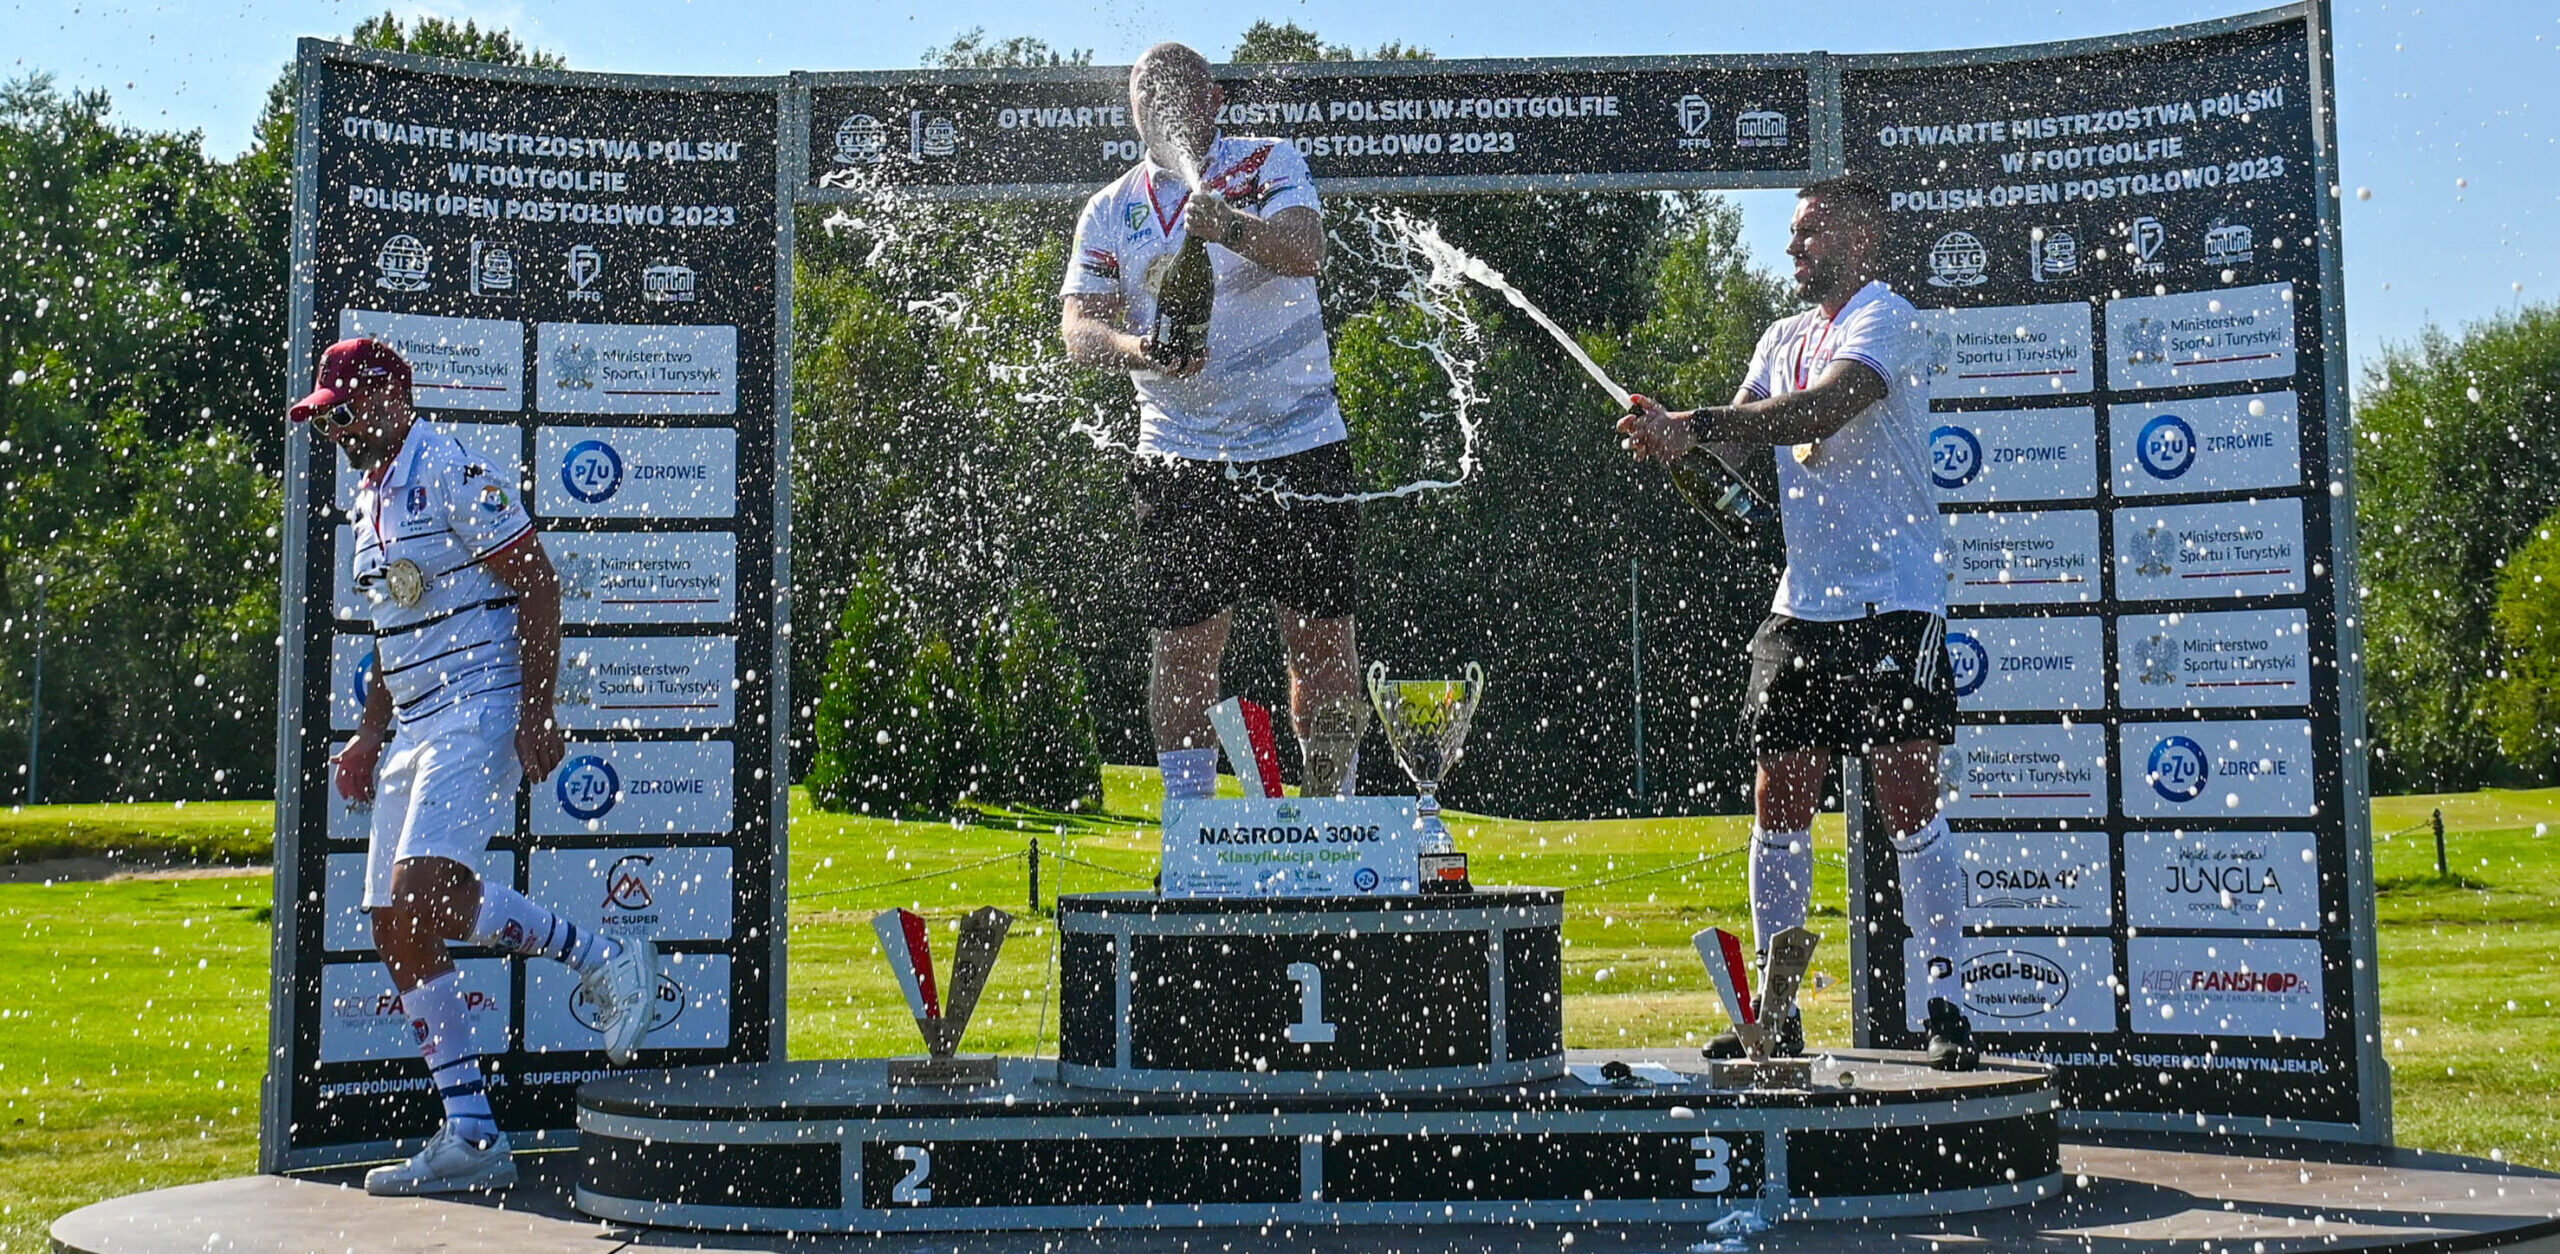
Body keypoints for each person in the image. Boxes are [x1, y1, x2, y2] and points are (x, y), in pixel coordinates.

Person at [1616, 175, 1976, 1070]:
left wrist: (1696, 426)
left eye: (1809, 231)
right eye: (1793, 233)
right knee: (1779, 800)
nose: (1792, 249)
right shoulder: (1780, 337)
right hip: (1801, 605)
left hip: (1894, 600)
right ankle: (1775, 1016)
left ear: (1861, 234)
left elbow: (1824, 408)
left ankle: (1948, 1006)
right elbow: (1737, 447)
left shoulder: (1887, 318)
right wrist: (1672, 440)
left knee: (1905, 796)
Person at [291, 337, 660, 1193]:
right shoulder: (366, 500)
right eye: (325, 419)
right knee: (395, 924)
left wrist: (536, 708)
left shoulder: (451, 468)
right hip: (413, 723)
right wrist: (367, 735)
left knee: (423, 893)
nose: (335, 431)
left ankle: (598, 955)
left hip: (477, 705)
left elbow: (538, 582)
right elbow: (392, 628)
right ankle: (473, 1134)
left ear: (388, 400)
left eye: (342, 412)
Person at [1059, 42, 1367, 802]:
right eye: (1140, 90)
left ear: (1212, 101)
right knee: (1186, 651)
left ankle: (1332, 825)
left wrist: (1230, 228)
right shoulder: (1109, 208)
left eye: (1170, 89)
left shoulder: (1268, 162)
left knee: (1321, 644)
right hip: (1181, 454)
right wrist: (1142, 348)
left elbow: (1308, 249)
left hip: (1301, 441)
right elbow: (1078, 330)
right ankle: (1190, 832)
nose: (1152, 101)